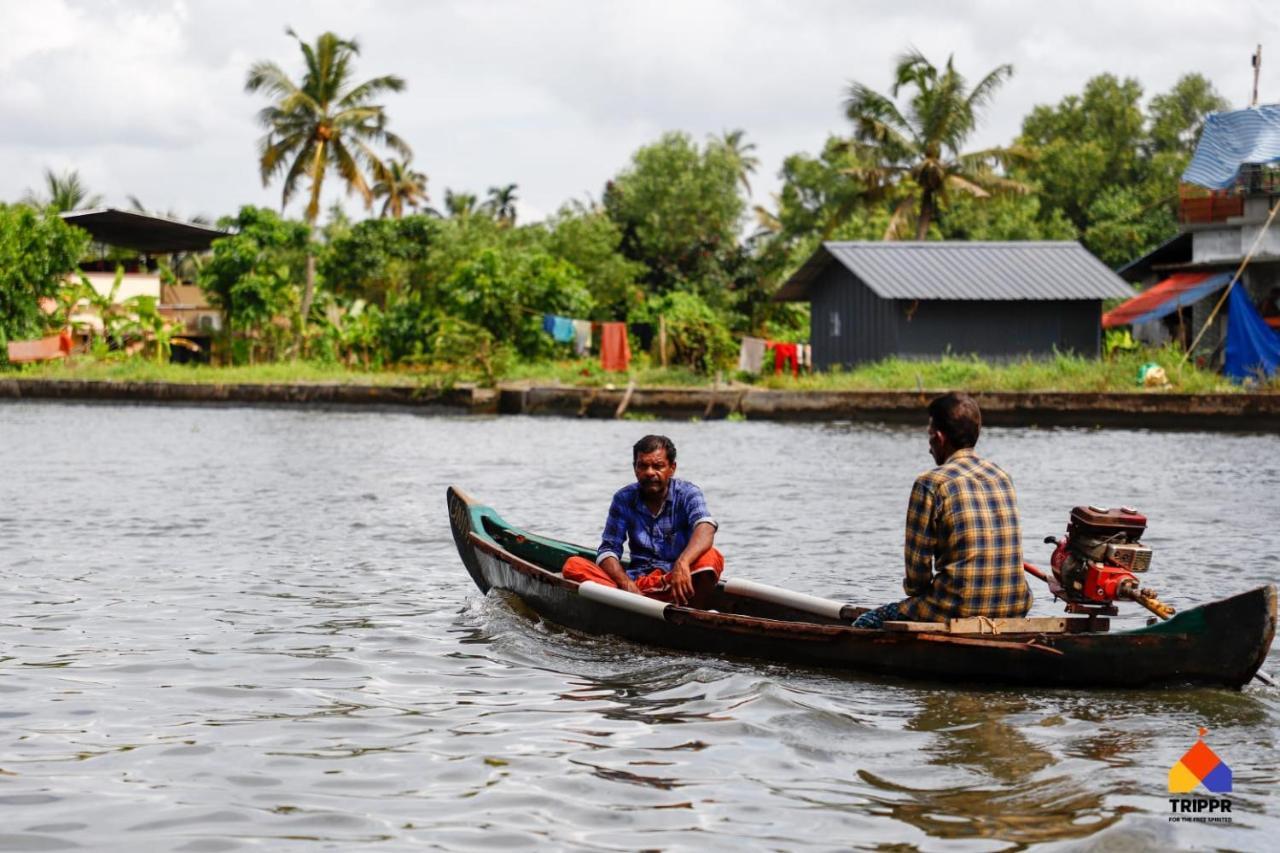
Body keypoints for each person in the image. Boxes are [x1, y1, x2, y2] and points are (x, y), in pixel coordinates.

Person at [852, 392, 1033, 629]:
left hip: (956, 606)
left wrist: (920, 599)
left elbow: (917, 577)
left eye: (929, 437)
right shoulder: (1001, 476)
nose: (929, 447)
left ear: (939, 438)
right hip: (1015, 604)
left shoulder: (931, 483)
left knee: (865, 623)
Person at [562, 435, 724, 607]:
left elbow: (705, 527)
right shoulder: (623, 498)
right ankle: (632, 601)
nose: (649, 472)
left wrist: (682, 563)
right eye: (643, 466)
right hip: (638, 586)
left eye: (658, 466)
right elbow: (608, 549)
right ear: (635, 469)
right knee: (574, 565)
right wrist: (627, 585)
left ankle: (689, 612)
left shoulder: (688, 493)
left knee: (711, 557)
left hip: (677, 583)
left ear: (672, 468)